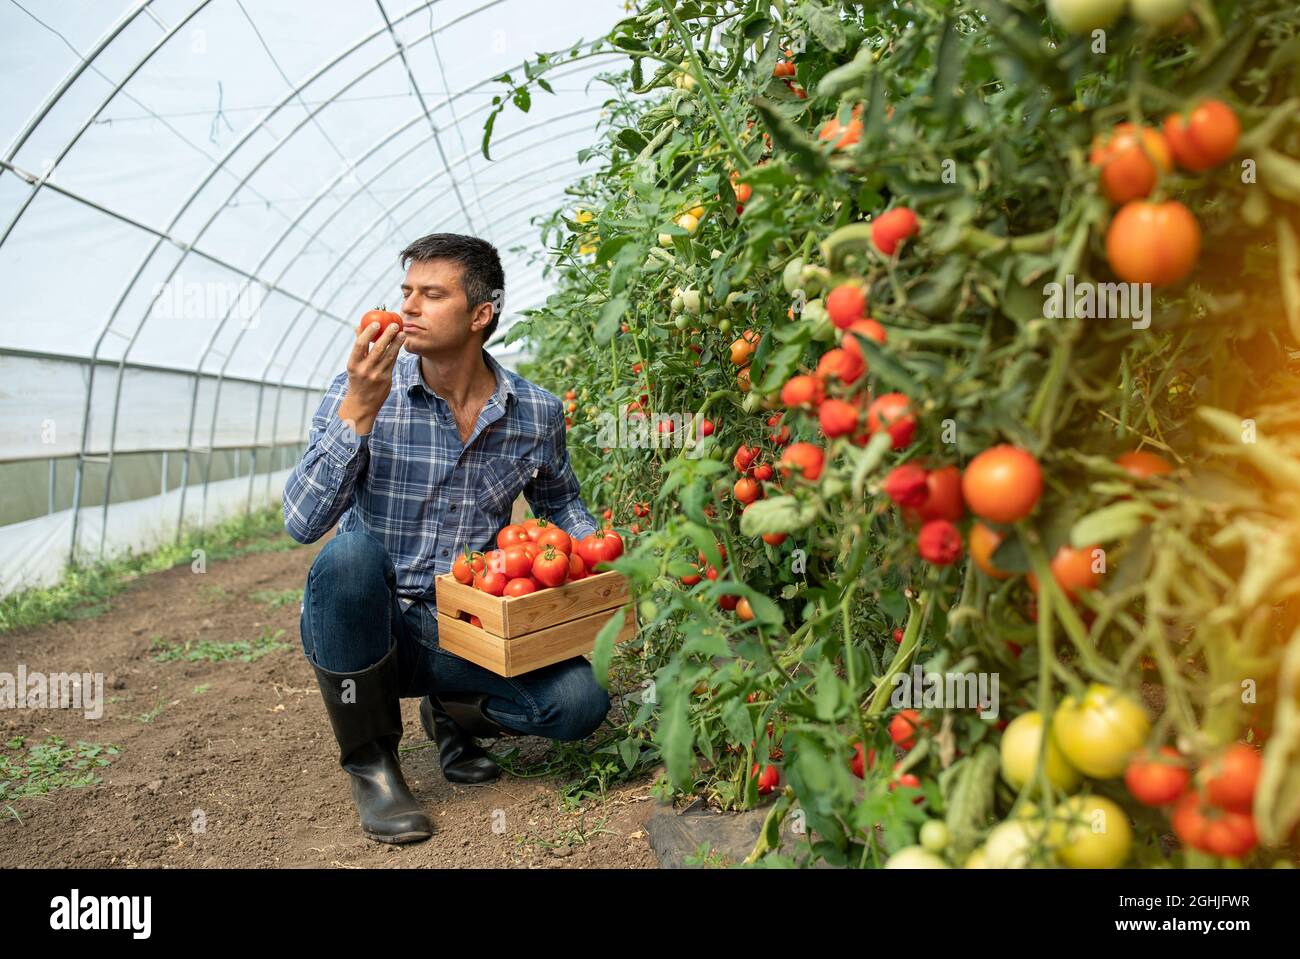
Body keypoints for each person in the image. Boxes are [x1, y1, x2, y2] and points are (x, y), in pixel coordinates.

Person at [283, 233, 608, 844]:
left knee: (580, 701)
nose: (408, 307)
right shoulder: (363, 389)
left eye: (431, 295)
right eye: (406, 292)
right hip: (367, 622)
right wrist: (358, 409)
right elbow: (301, 523)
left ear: (480, 314)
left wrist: (602, 561)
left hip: (467, 624)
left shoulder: (534, 413)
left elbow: (560, 501)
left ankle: (453, 711)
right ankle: (374, 766)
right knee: (351, 556)